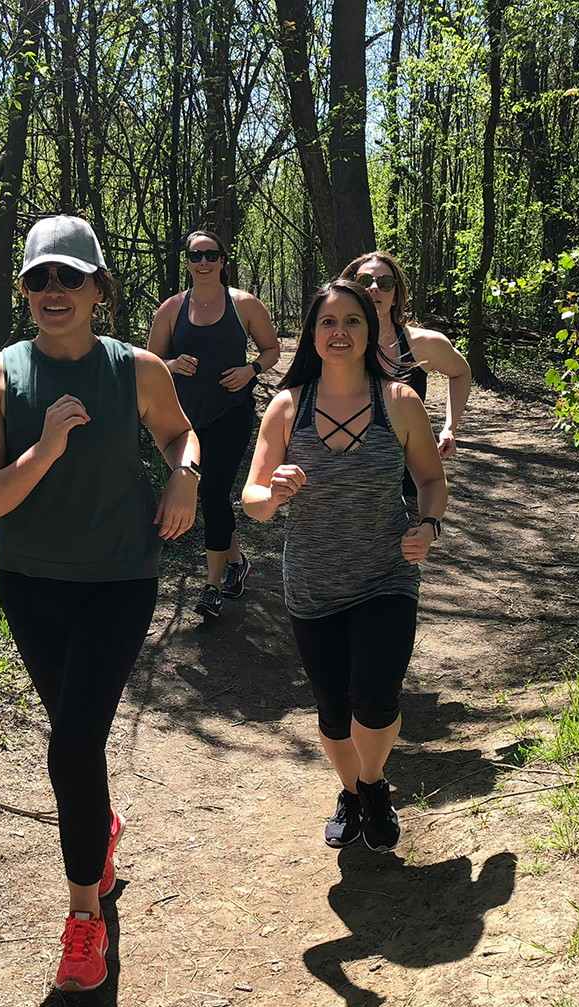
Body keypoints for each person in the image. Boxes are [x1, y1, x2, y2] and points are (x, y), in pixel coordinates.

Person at [0, 215, 200, 991]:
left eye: (70, 276)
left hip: (120, 579)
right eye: (39, 278)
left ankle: (84, 918)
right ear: (24, 291)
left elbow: (180, 436)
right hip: (31, 584)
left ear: (101, 287)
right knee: (78, 740)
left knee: (70, 743)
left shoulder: (137, 369)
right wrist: (45, 448)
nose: (54, 291)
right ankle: (97, 827)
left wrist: (185, 475)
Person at [241, 279, 448, 852]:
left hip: (387, 574)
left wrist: (427, 527)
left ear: (370, 331)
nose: (340, 333)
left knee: (375, 696)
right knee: (333, 711)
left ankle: (374, 783)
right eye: (328, 322)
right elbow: (253, 501)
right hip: (312, 583)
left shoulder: (399, 402)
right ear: (312, 334)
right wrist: (274, 492)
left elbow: (431, 481)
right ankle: (351, 792)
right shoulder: (288, 406)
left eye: (352, 322)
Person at [147, 230, 282, 621]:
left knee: (214, 491)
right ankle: (237, 561)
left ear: (223, 260)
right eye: (195, 256)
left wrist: (250, 369)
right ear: (187, 262)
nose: (203, 262)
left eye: (211, 255)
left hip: (232, 414)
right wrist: (172, 365)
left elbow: (272, 350)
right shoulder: (171, 309)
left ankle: (212, 586)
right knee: (214, 497)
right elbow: (151, 361)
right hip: (185, 422)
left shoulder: (244, 305)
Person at [339, 252, 471, 476]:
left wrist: (449, 428)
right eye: (364, 281)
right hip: (346, 472)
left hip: (408, 473)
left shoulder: (422, 344)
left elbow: (461, 372)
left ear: (396, 293)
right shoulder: (336, 343)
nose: (374, 288)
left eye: (385, 283)